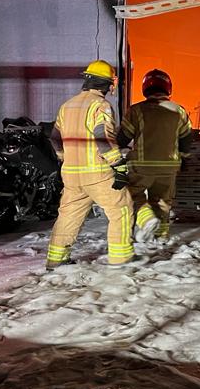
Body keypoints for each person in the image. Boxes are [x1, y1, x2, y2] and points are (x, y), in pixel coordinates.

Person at [46, 60, 134, 267]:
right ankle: (121, 259)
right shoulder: (100, 106)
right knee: (121, 209)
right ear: (108, 84)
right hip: (97, 174)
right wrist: (118, 164)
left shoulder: (67, 106)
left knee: (69, 216)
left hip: (71, 175)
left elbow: (55, 138)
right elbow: (102, 137)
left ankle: (55, 260)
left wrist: (64, 157)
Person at [118, 68, 194, 243]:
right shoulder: (179, 110)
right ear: (168, 87)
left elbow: (122, 138)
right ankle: (161, 237)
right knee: (163, 202)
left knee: (131, 195)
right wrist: (184, 158)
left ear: (145, 88)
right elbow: (186, 138)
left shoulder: (136, 110)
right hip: (169, 167)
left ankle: (146, 220)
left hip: (142, 167)